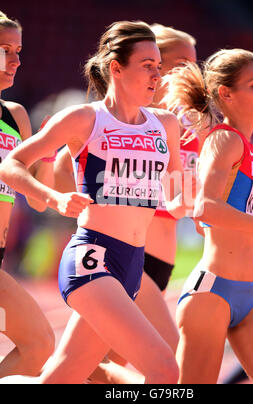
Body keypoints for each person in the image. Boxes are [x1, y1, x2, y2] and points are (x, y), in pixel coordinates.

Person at [0, 20, 185, 384]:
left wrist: (186, 202)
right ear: (116, 67)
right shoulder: (85, 118)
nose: (156, 76)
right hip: (92, 260)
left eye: (159, 67)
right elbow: (11, 164)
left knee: (61, 378)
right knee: (165, 370)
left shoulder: (166, 125)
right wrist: (53, 197)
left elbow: (180, 193)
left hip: (133, 264)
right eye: (147, 65)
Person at [168, 50, 253, 384]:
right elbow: (204, 209)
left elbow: (213, 223)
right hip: (212, 294)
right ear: (226, 94)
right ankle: (105, 376)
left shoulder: (249, 147)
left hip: (252, 295)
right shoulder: (224, 140)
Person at [0, 11, 55, 377]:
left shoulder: (15, 115)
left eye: (18, 50)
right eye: (5, 49)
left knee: (39, 347)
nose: (16, 60)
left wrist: (49, 147)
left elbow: (37, 198)